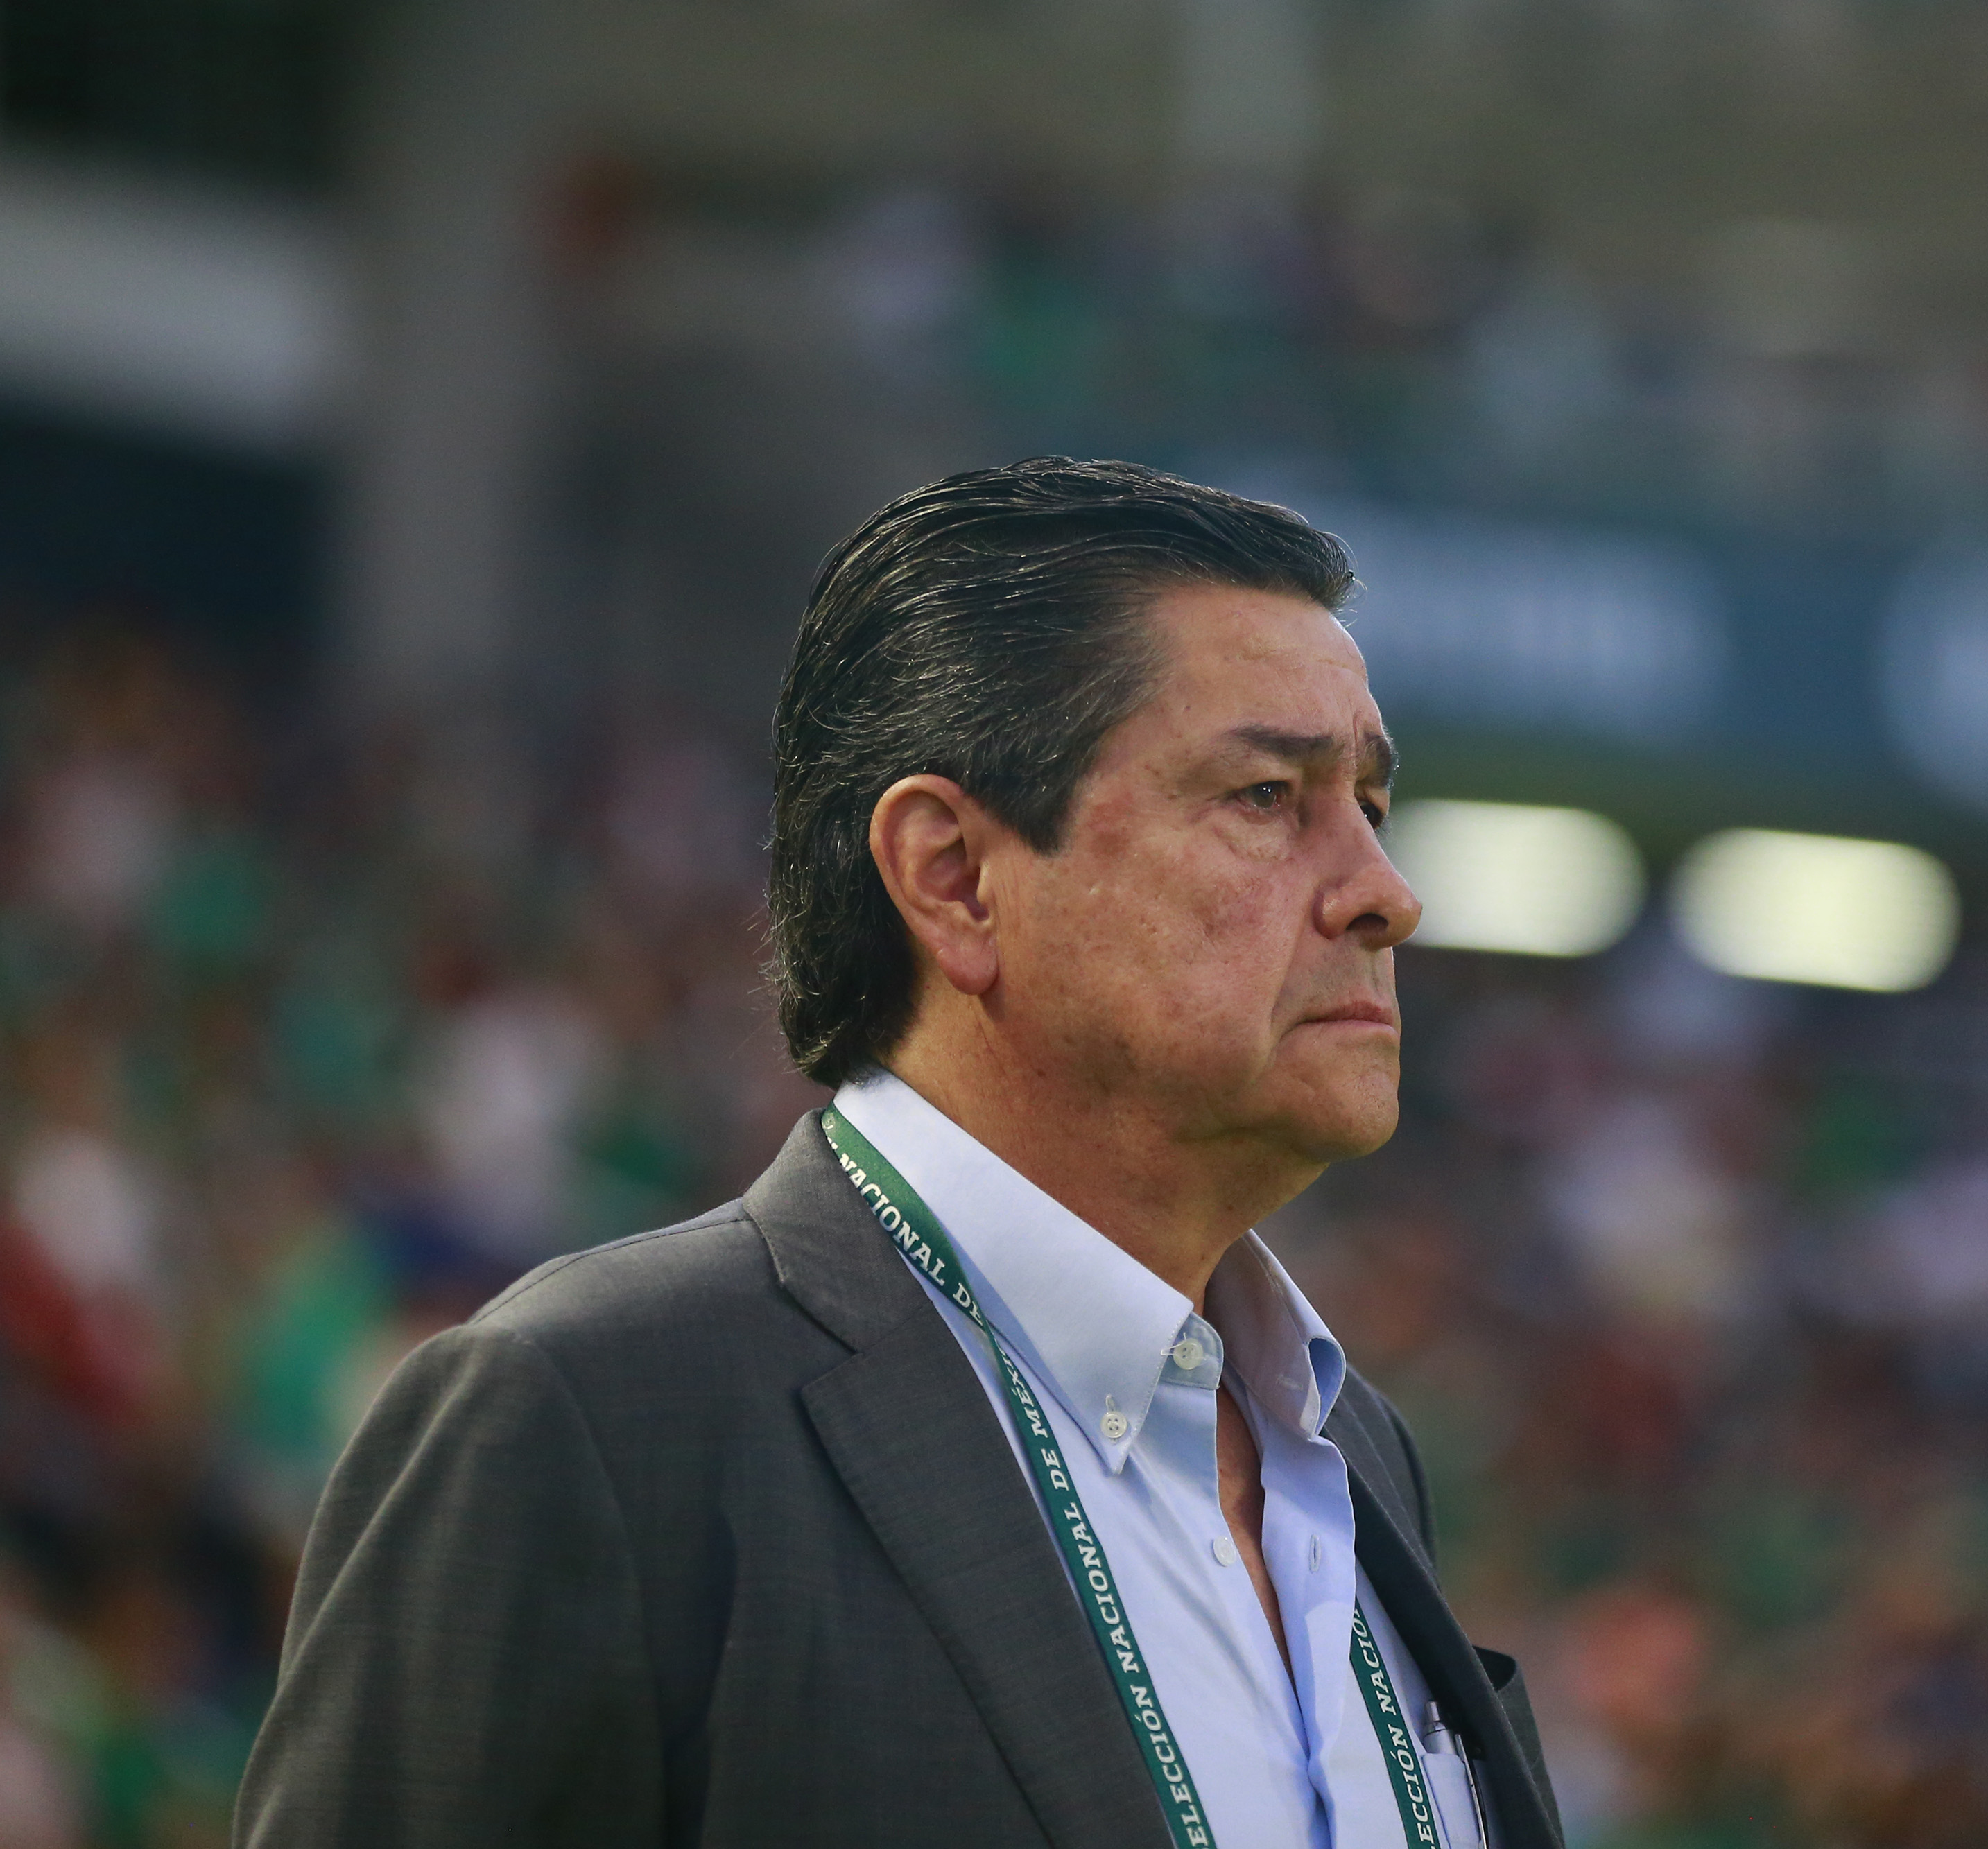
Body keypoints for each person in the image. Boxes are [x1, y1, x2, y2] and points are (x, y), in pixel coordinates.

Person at [229, 460, 1561, 1848]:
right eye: (1266, 795)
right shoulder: (586, 1415)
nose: (1385, 894)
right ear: (953, 874)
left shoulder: (1351, 1446)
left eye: (1372, 807)